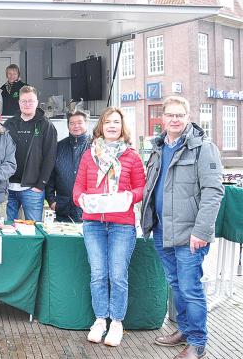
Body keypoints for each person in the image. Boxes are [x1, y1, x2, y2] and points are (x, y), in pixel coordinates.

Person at [141, 96, 223, 359]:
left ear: (188, 117)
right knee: (176, 285)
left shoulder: (203, 147)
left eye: (180, 115)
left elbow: (213, 191)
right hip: (163, 229)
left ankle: (198, 343)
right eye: (170, 115)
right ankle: (185, 331)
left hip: (190, 234)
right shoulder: (158, 147)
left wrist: (201, 231)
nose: (175, 119)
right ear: (163, 118)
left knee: (190, 288)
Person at [72, 107, 145, 347]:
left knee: (118, 276)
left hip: (121, 225)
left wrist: (127, 198)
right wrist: (81, 200)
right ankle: (100, 319)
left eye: (116, 122)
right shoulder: (88, 155)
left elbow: (142, 189)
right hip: (93, 223)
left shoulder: (132, 156)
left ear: (122, 127)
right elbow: (78, 188)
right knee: (98, 275)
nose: (112, 126)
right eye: (107, 122)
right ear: (100, 126)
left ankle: (116, 322)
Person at [3, 85, 57, 222]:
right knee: (7, 229)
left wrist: (40, 185)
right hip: (7, 188)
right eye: (24, 101)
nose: (27, 104)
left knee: (33, 231)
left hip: (32, 189)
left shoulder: (46, 125)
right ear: (19, 102)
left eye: (31, 101)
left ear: (37, 102)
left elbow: (50, 158)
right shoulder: (9, 124)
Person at [46, 110, 91, 222]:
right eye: (72, 123)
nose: (76, 126)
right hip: (62, 208)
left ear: (86, 124)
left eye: (80, 122)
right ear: (68, 126)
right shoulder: (58, 147)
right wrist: (51, 201)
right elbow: (50, 176)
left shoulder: (95, 147)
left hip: (88, 209)